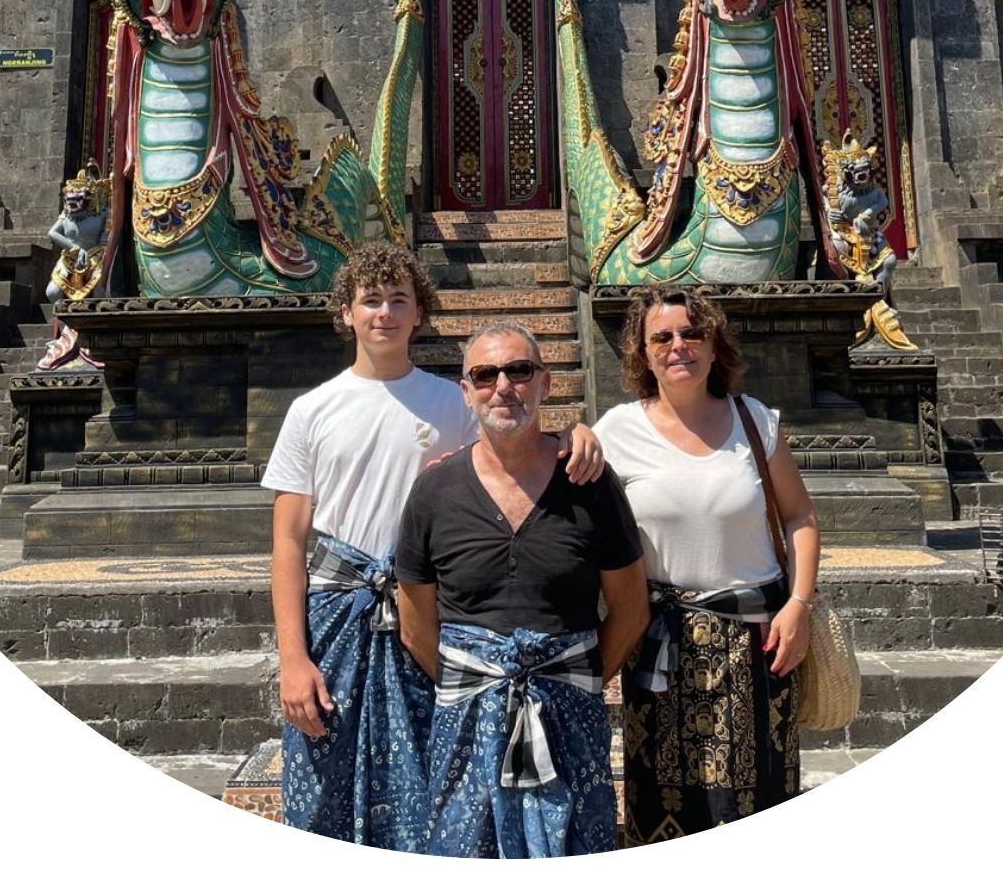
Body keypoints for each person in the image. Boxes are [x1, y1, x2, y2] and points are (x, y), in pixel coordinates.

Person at [261, 245, 604, 850]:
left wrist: (573, 433)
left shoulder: (455, 401)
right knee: (323, 774)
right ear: (346, 312)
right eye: (371, 300)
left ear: (421, 312)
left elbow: (515, 445)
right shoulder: (310, 410)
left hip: (430, 614)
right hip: (338, 617)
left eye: (400, 300)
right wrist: (294, 658)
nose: (385, 314)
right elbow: (289, 542)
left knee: (436, 778)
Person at [396, 323, 650, 858]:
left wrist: (572, 680)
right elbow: (416, 623)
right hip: (468, 710)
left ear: (544, 383)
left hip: (568, 711)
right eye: (485, 375)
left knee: (576, 844)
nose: (503, 386)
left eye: (519, 370)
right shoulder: (435, 491)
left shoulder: (589, 483)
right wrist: (476, 683)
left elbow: (630, 610)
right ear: (466, 391)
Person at [592, 287, 819, 843]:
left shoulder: (755, 421)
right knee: (665, 802)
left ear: (715, 345)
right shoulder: (616, 432)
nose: (679, 347)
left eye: (693, 333)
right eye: (662, 337)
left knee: (762, 797)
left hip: (760, 640)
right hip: (664, 644)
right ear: (643, 354)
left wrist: (799, 604)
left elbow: (800, 517)